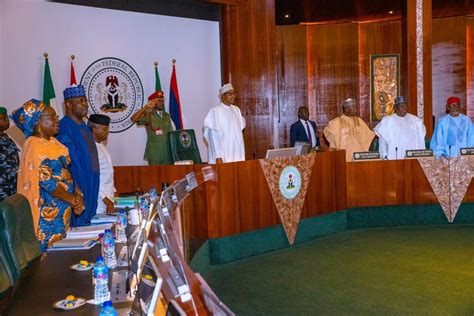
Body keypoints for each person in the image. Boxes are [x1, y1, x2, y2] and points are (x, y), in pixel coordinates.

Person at [12, 99, 84, 251]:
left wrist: (78, 194)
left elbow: (67, 173)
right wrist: (72, 199)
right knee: (49, 260)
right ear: (38, 121)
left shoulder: (53, 142)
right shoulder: (34, 145)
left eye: (56, 116)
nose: (57, 120)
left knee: (61, 255)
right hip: (47, 217)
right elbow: (47, 182)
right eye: (52, 116)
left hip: (63, 212)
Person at [56, 85, 100, 226]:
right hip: (78, 187)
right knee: (79, 226)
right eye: (80, 101)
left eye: (85, 101)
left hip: (92, 182)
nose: (85, 104)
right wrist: (77, 190)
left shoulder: (84, 127)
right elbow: (69, 163)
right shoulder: (64, 128)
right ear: (68, 104)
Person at [203, 83, 246, 164]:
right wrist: (218, 156)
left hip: (237, 153)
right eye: (230, 94)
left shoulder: (236, 110)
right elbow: (213, 137)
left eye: (234, 93)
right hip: (223, 155)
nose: (233, 96)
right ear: (222, 96)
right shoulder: (215, 111)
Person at [374, 95, 426, 160]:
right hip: (393, 160)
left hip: (413, 160)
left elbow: (421, 140)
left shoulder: (415, 121)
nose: (405, 108)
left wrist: (423, 156)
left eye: (406, 106)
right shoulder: (387, 121)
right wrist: (384, 156)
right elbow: (382, 143)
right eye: (402, 106)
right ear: (395, 108)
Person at [131, 90, 174, 165]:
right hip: (155, 155)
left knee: (168, 176)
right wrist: (146, 107)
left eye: (162, 100)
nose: (161, 103)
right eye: (158, 101)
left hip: (168, 154)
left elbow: (171, 133)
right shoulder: (148, 115)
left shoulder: (166, 115)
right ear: (152, 102)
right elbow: (134, 119)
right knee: (155, 176)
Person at [88, 114, 115, 214]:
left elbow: (108, 172)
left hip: (108, 198)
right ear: (94, 129)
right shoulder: (90, 149)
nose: (107, 132)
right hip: (99, 200)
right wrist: (104, 198)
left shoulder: (101, 146)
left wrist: (114, 192)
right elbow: (91, 178)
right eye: (104, 129)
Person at [0, 106, 20, 200]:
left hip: (14, 189)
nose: (7, 120)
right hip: (2, 192)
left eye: (7, 117)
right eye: (3, 118)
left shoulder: (6, 136)